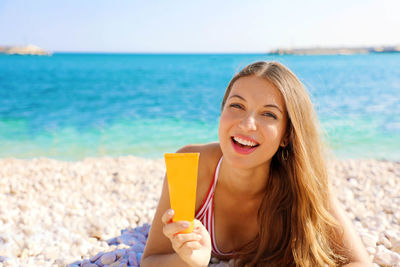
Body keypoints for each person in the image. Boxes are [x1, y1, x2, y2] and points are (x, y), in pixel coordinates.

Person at [141, 61, 372, 267]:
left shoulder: (303, 182)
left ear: (287, 135)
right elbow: (151, 259)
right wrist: (189, 261)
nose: (247, 124)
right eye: (237, 106)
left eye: (269, 115)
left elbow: (359, 262)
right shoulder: (190, 166)